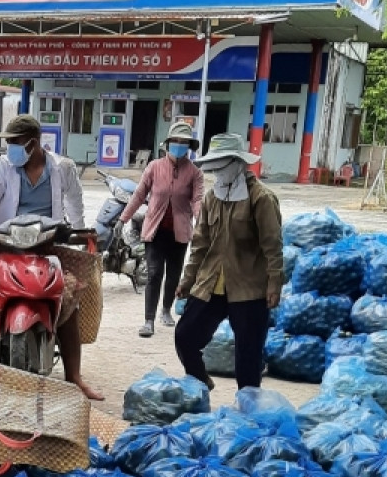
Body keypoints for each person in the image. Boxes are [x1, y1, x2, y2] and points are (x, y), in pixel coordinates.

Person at [0, 113, 102, 401]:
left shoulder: (62, 168)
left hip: (46, 248)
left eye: (16, 142)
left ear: (34, 142)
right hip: (3, 247)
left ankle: (74, 377)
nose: (10, 148)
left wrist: (79, 232)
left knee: (67, 306)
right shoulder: (3, 167)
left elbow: (74, 202)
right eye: (9, 143)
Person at [174, 130, 284, 392]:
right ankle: (202, 382)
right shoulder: (213, 197)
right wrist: (187, 280)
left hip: (248, 288)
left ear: (237, 163)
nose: (217, 173)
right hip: (211, 284)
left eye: (221, 167)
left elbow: (272, 246)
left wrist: (274, 283)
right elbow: (200, 244)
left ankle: (247, 413)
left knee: (248, 357)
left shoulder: (261, 199)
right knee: (185, 337)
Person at [118, 121, 204, 338]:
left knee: (174, 274)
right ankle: (148, 320)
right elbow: (138, 195)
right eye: (176, 141)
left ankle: (166, 309)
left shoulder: (194, 173)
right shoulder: (154, 167)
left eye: (184, 143)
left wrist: (202, 224)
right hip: (155, 231)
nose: (179, 145)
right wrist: (123, 218)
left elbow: (197, 200)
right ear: (168, 143)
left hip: (180, 232)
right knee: (155, 273)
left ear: (189, 147)